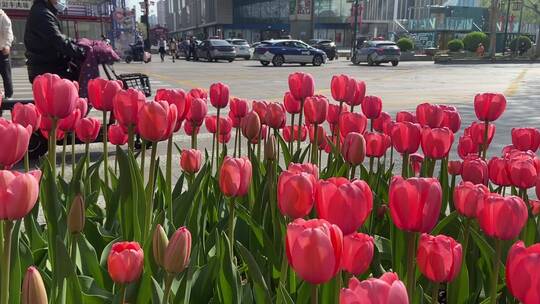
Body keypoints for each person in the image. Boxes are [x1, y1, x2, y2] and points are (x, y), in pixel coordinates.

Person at [24, 0, 86, 83]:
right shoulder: (42, 14)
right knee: (77, 84)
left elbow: (59, 37)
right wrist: (82, 52)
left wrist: (76, 43)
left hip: (46, 67)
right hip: (47, 70)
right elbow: (57, 40)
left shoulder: (43, 11)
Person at [0, 9, 13, 98]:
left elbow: (8, 32)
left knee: (6, 76)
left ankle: (9, 99)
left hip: (2, 51)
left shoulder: (3, 17)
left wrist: (7, 45)